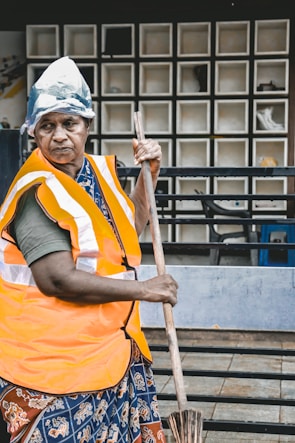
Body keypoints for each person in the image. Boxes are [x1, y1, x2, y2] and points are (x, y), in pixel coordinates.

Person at [0, 56, 178, 442]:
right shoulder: (36, 191)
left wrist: (149, 178)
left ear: (88, 126)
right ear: (33, 132)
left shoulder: (97, 173)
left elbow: (129, 230)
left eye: (70, 123)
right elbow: (57, 280)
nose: (59, 135)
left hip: (109, 348)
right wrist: (145, 290)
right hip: (52, 364)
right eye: (47, 125)